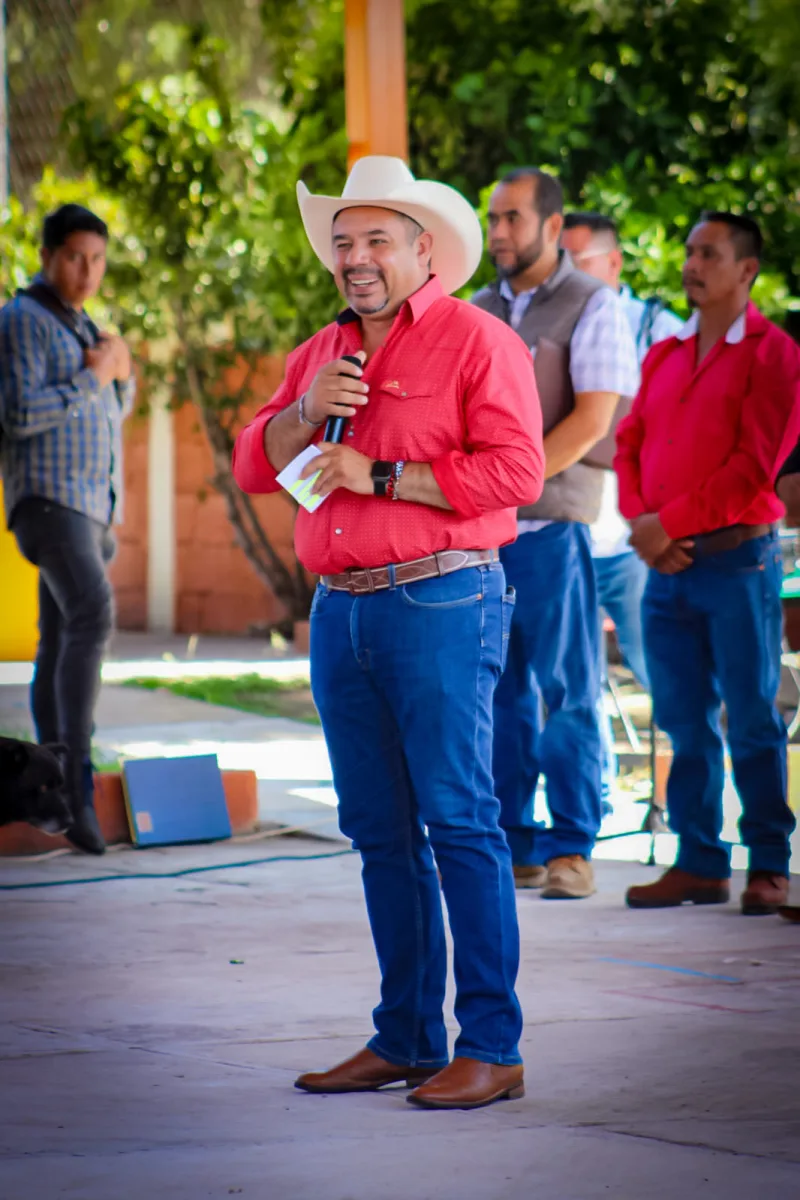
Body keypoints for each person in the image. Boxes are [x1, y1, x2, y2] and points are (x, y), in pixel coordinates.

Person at [232, 156, 544, 1110]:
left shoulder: (479, 341)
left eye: (375, 241)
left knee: (458, 821)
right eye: (343, 243)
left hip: (441, 600)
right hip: (341, 613)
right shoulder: (319, 352)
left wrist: (381, 476)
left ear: (423, 250)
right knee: (378, 833)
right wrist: (301, 413)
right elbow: (255, 463)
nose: (356, 259)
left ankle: (490, 1046)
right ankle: (405, 1037)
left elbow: (519, 473)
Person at [616, 211, 800, 915]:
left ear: (746, 269)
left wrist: (667, 524)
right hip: (665, 568)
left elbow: (753, 469)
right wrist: (643, 524)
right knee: (683, 719)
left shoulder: (774, 355)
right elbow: (629, 441)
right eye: (689, 250)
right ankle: (698, 862)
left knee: (753, 715)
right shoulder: (664, 354)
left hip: (737, 565)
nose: (693, 264)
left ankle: (770, 864)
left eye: (709, 254)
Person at [471, 168, 638, 899]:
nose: (498, 232)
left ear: (550, 223)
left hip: (551, 530)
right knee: (497, 693)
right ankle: (514, 843)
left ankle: (573, 848)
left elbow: (594, 420)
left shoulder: (592, 304)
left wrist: (511, 480)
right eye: (492, 219)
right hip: (481, 536)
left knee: (568, 690)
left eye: (511, 218)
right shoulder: (474, 309)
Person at [0, 204, 135, 855]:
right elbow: (21, 413)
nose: (87, 271)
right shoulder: (22, 320)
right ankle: (77, 788)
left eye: (98, 259)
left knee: (60, 634)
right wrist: (96, 374)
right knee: (92, 614)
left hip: (90, 505)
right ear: (48, 254)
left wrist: (122, 373)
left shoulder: (84, 324)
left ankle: (46, 785)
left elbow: (110, 406)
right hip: (48, 500)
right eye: (76, 257)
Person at [561, 212, 684, 806]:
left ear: (613, 264)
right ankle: (592, 800)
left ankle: (683, 800)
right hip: (565, 535)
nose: (562, 273)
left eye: (575, 261)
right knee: (572, 682)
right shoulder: (548, 323)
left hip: (636, 539)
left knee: (660, 669)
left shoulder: (660, 329)